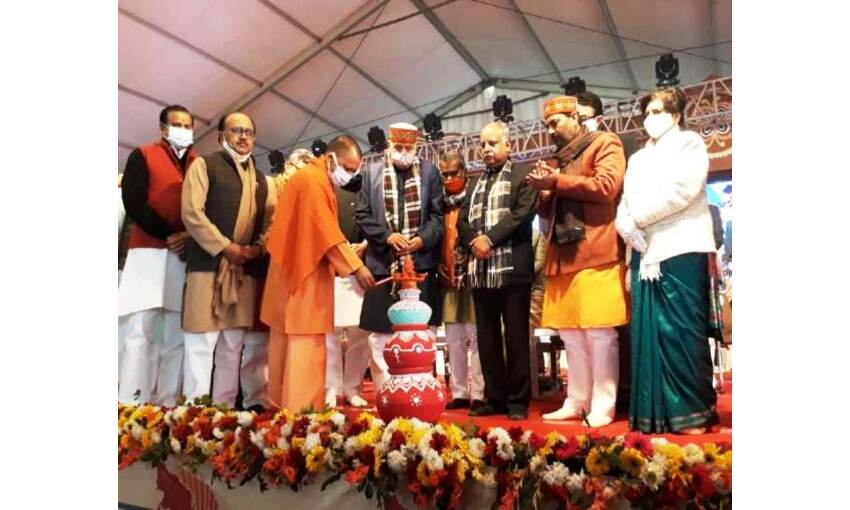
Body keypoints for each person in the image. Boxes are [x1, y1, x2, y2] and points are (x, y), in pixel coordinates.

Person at [615, 87, 718, 434]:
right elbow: (625, 200)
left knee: (682, 332)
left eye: (657, 112)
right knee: (649, 333)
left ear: (675, 116)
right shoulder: (638, 158)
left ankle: (692, 413)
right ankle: (656, 415)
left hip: (681, 247)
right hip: (644, 251)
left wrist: (637, 219)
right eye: (646, 113)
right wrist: (624, 224)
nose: (650, 119)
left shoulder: (689, 144)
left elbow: (682, 192)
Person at [527, 95, 628, 427]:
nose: (550, 131)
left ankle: (603, 405)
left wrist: (555, 182)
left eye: (555, 123)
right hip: (561, 254)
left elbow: (607, 187)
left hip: (596, 250)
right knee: (570, 334)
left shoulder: (605, 142)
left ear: (575, 117)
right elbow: (548, 211)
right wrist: (545, 195)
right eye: (547, 125)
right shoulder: (557, 160)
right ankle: (576, 400)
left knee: (599, 333)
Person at [261, 136, 376, 412]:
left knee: (286, 347)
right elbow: (326, 232)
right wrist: (356, 267)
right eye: (348, 168)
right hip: (301, 276)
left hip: (290, 273)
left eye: (354, 171)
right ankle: (301, 413)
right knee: (305, 345)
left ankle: (282, 408)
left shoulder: (313, 178)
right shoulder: (313, 181)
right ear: (331, 158)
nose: (350, 176)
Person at [180, 112, 276, 408]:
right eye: (236, 131)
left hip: (243, 270)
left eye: (249, 132)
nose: (243, 137)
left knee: (232, 346)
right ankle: (194, 413)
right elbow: (192, 213)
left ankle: (223, 412)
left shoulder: (264, 181)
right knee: (201, 342)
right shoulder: (204, 165)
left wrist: (257, 248)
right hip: (207, 267)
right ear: (221, 136)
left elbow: (271, 222)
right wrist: (224, 246)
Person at [118, 105, 198, 406]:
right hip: (148, 251)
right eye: (177, 124)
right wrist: (169, 234)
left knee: (177, 331)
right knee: (141, 329)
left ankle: (168, 402)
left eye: (188, 125)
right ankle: (132, 402)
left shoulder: (197, 162)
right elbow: (133, 201)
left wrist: (188, 237)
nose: (183, 130)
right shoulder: (143, 154)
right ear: (163, 128)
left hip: (182, 255)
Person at [354, 123, 444, 390]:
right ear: (389, 145)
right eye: (399, 147)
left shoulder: (430, 172)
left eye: (409, 148)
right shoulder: (371, 172)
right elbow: (362, 215)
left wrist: (422, 239)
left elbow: (437, 216)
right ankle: (385, 392)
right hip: (383, 264)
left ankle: (420, 389)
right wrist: (386, 236)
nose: (404, 153)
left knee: (422, 331)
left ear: (417, 147)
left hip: (420, 264)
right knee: (381, 336)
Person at [459, 122, 538, 420]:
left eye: (492, 143)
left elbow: (522, 214)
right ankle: (495, 398)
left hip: (513, 269)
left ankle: (518, 402)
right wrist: (474, 242)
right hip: (481, 270)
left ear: (508, 145)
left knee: (516, 337)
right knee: (487, 338)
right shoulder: (474, 182)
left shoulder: (522, 174)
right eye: (482, 144)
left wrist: (489, 239)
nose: (486, 149)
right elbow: (462, 221)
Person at [438, 150, 485, 412]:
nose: (449, 179)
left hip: (474, 276)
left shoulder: (477, 197)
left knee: (476, 337)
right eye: (444, 175)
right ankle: (459, 393)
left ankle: (479, 393)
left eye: (453, 173)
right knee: (454, 338)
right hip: (448, 279)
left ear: (464, 172)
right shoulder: (439, 205)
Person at [324, 168, 372, 408]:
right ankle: (330, 388)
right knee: (330, 336)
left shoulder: (368, 189)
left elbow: (378, 222)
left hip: (361, 272)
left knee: (359, 336)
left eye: (354, 168)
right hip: (331, 270)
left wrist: (365, 245)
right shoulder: (327, 190)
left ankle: (353, 388)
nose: (349, 173)